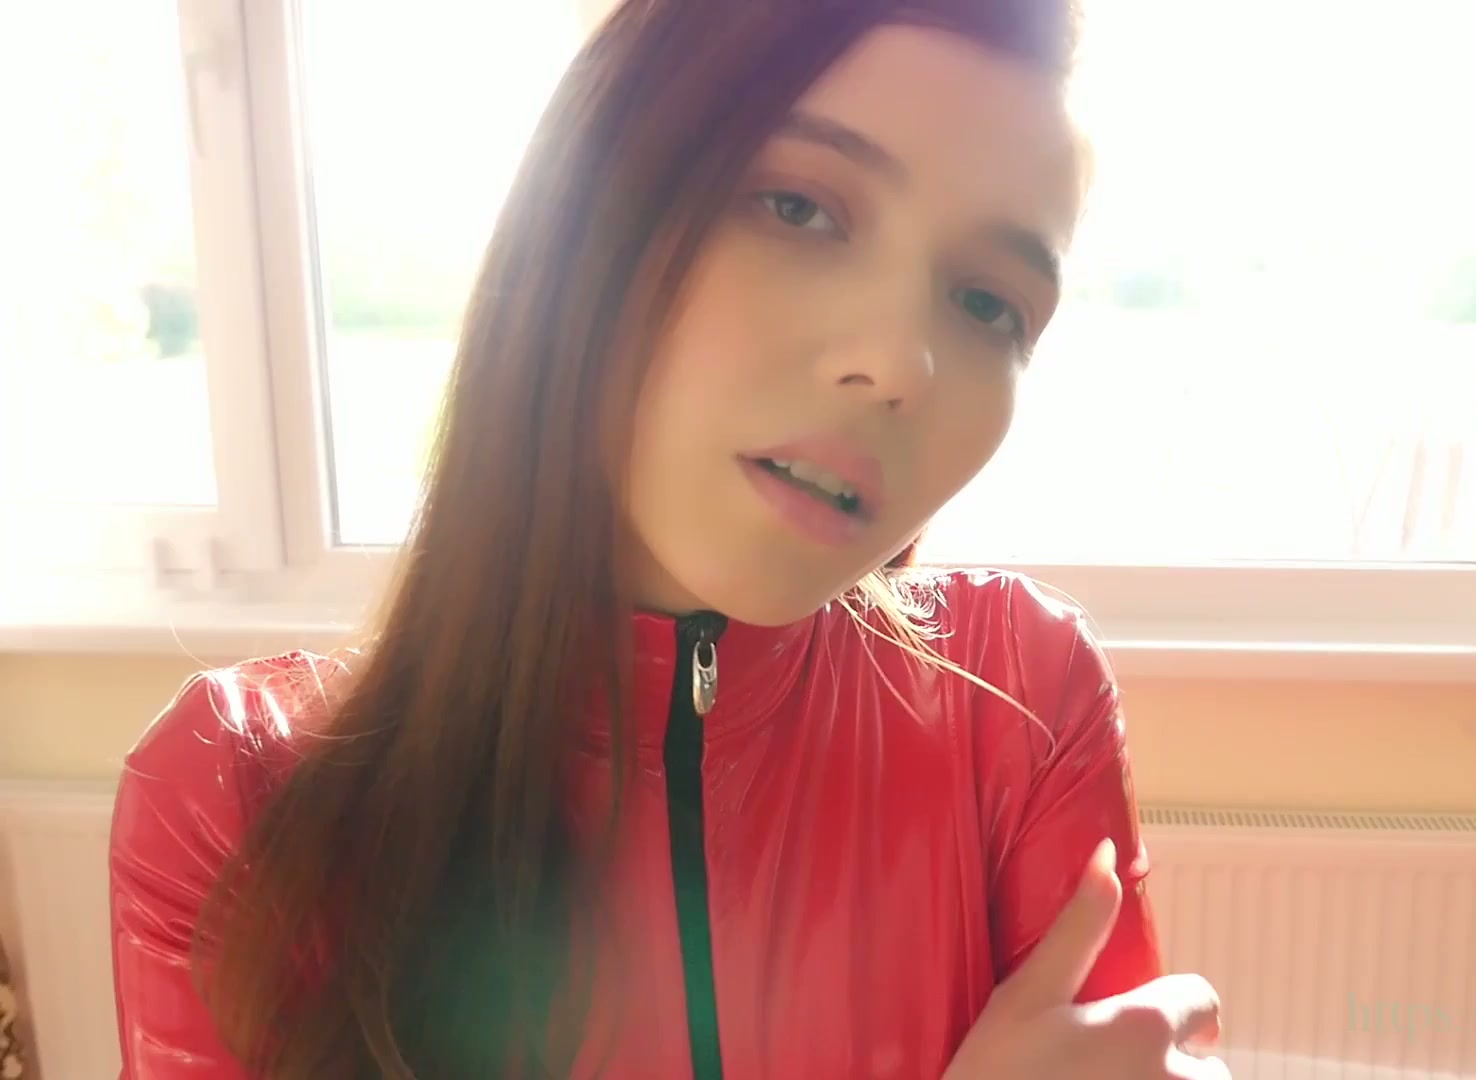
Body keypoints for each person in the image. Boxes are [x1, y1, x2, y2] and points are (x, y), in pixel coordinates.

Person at [107, 0, 1227, 1076]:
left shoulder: (1020, 701)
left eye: (988, 304)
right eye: (800, 208)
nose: (901, 364)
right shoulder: (235, 800)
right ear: (596, 202)